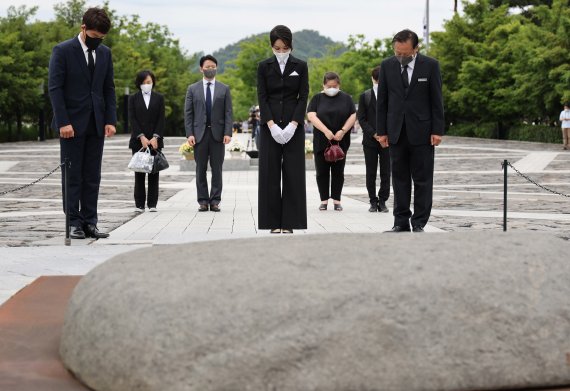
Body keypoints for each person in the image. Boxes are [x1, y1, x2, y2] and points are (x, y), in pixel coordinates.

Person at [48, 7, 116, 239]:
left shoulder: (105, 54)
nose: (98, 41)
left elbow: (109, 88)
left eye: (102, 38)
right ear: (83, 28)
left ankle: (90, 222)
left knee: (92, 175)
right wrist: (63, 122)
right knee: (72, 175)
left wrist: (110, 119)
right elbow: (55, 88)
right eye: (95, 37)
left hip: (96, 123)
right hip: (71, 126)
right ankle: (73, 223)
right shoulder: (63, 51)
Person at [376, 29, 444, 233]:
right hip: (396, 131)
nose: (401, 57)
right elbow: (383, 101)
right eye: (398, 53)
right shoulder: (387, 66)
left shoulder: (430, 65)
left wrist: (437, 130)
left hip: (422, 132)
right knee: (399, 179)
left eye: (405, 53)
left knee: (423, 179)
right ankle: (400, 222)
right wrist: (382, 131)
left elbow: (436, 100)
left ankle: (419, 221)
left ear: (416, 48)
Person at [257, 25, 309, 234]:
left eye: (284, 48)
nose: (281, 52)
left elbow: (303, 96)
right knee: (269, 174)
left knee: (293, 174)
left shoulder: (301, 66)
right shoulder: (264, 66)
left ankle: (290, 222)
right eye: (277, 48)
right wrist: (271, 125)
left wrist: (293, 124)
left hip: (293, 127)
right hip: (270, 127)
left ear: (290, 46)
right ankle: (272, 222)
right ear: (272, 46)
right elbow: (262, 96)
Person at [184, 55, 233, 212]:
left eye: (213, 66)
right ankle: (203, 201)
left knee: (217, 169)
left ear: (216, 68)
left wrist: (228, 132)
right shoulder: (192, 89)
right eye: (207, 66)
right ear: (201, 69)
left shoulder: (224, 88)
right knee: (200, 169)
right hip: (199, 135)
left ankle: (215, 201)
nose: (210, 69)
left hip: (218, 135)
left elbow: (228, 113)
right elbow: (188, 114)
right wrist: (190, 134)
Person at [307, 72, 356, 212]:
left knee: (338, 172)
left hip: (341, 140)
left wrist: (343, 130)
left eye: (334, 86)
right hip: (322, 140)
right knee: (321, 171)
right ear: (324, 85)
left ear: (339, 85)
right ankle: (323, 200)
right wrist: (325, 131)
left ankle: (337, 200)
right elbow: (311, 115)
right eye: (329, 86)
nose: (332, 88)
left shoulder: (346, 98)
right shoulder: (317, 98)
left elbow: (353, 115)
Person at [128, 70, 165, 213]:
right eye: (143, 83)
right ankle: (139, 204)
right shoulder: (133, 98)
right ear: (139, 83)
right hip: (138, 141)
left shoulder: (159, 98)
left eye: (148, 82)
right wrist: (141, 136)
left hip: (155, 141)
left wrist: (156, 137)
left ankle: (152, 204)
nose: (146, 85)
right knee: (139, 172)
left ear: (153, 82)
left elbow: (161, 119)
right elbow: (132, 119)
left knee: (154, 172)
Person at [357, 65, 390, 213]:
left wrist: (384, 133)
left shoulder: (391, 95)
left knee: (386, 172)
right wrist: (374, 134)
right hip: (370, 141)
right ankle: (372, 201)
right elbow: (361, 119)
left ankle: (382, 201)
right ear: (372, 79)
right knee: (371, 172)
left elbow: (393, 116)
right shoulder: (365, 96)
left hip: (387, 140)